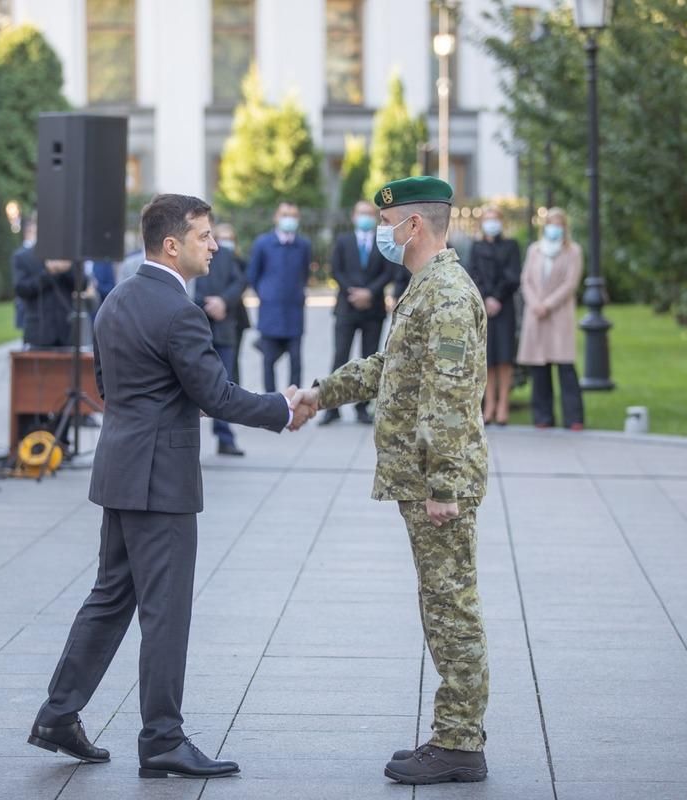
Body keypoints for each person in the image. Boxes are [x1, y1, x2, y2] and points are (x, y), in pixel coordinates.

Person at [29, 194, 310, 780]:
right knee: (165, 613)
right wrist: (281, 408)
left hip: (121, 470)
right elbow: (215, 393)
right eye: (205, 236)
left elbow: (112, 387)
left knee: (109, 600)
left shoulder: (116, 300)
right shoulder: (180, 312)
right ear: (173, 244)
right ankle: (162, 738)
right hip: (161, 482)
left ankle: (58, 715)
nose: (215, 245)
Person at [291, 177, 490, 786]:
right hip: (422, 478)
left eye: (390, 222)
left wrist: (445, 487)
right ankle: (455, 736)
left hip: (438, 484)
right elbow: (389, 368)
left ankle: (459, 744)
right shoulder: (425, 289)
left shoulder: (448, 295)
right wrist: (321, 394)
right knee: (440, 604)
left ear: (415, 227)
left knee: (451, 607)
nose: (384, 233)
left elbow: (450, 399)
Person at [322, 200, 393, 425]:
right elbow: (336, 269)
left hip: (373, 309)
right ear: (353, 216)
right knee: (340, 355)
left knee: (369, 357)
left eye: (369, 213)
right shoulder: (343, 241)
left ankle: (363, 408)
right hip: (346, 307)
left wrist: (369, 293)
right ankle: (331, 407)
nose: (365, 217)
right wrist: (353, 292)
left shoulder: (383, 242)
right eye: (361, 213)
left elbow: (389, 271)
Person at [517, 208, 584, 430]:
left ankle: (573, 417)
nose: (554, 228)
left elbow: (570, 283)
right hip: (536, 315)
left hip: (559, 315)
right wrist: (535, 302)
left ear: (565, 227)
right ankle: (543, 416)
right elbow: (525, 279)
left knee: (565, 366)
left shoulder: (573, 251)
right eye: (550, 223)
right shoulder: (535, 250)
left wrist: (548, 304)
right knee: (540, 368)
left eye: (558, 224)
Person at [193, 221, 249, 456]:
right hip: (198, 326)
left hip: (224, 328)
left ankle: (225, 436)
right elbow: (186, 285)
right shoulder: (191, 253)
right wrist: (206, 303)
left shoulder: (226, 255)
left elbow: (240, 282)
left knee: (224, 381)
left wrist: (223, 301)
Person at [247, 202, 310, 392]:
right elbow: (253, 275)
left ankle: (294, 401)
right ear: (276, 217)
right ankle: (270, 402)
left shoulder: (303, 245)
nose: (288, 219)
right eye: (284, 214)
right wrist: (266, 294)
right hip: (270, 312)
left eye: (292, 215)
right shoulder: (263, 243)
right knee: (268, 361)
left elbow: (304, 273)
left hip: (294, 311)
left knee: (296, 360)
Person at [469, 206, 522, 426]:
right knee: (487, 357)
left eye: (495, 219)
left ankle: (503, 405)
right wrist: (486, 297)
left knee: (504, 356)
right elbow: (472, 274)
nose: (491, 223)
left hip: (504, 306)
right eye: (487, 219)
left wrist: (497, 297)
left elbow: (513, 276)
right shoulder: (476, 246)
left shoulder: (511, 246)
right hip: (483, 307)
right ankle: (488, 404)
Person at [12, 214, 76, 348]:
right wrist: (48, 273)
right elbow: (21, 289)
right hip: (38, 332)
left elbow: (83, 284)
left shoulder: (67, 254)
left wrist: (67, 269)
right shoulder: (23, 257)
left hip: (67, 332)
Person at [214, 224, 251, 386]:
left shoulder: (239, 262)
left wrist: (224, 300)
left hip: (235, 317)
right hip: (214, 317)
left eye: (229, 239)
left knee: (233, 362)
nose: (226, 242)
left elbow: (242, 282)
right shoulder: (212, 259)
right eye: (222, 239)